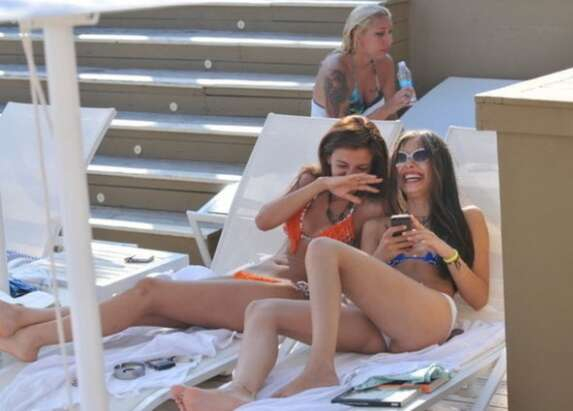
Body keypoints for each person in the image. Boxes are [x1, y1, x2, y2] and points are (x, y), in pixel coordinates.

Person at [0, 115, 390, 363]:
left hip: (294, 296)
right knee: (149, 308)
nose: (348, 176)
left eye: (359, 168)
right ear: (327, 159)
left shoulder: (371, 210)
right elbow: (264, 221)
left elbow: (367, 286)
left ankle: (34, 338)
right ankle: (31, 318)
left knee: (151, 291)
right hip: (257, 277)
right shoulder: (312, 183)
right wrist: (320, 185)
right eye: (341, 166)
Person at [170, 130, 490, 411]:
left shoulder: (467, 218)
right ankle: (239, 391)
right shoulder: (378, 225)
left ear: (439, 164)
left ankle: (319, 368)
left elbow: (478, 298)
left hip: (430, 318)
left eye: (420, 156)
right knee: (261, 311)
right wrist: (382, 254)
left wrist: (441, 248)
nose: (409, 164)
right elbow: (357, 294)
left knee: (322, 247)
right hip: (379, 329)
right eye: (401, 158)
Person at [311, 4, 414, 119]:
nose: (389, 40)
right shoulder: (336, 70)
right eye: (380, 34)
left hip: (374, 131)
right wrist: (388, 108)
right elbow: (340, 129)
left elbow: (391, 118)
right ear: (357, 34)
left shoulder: (384, 63)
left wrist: (400, 107)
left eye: (390, 32)